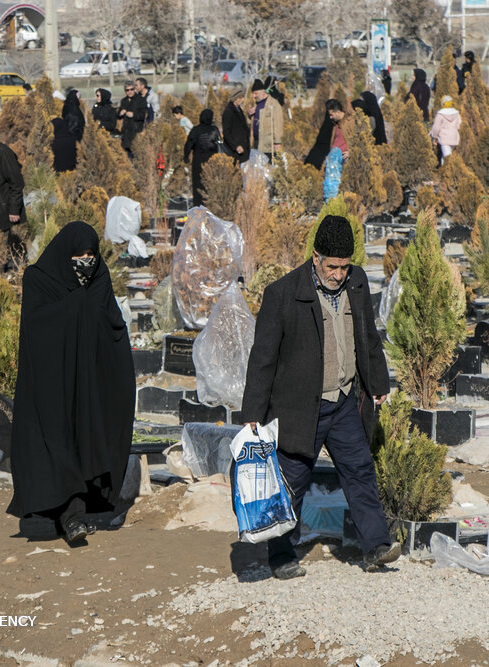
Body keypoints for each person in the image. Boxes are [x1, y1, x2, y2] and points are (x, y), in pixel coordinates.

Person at [242, 215, 399, 579]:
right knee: (290, 484)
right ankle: (281, 556)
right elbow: (262, 358)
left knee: (360, 471)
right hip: (300, 408)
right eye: (333, 266)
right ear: (315, 257)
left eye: (345, 266)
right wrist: (253, 412)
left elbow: (368, 337)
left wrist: (378, 384)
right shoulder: (283, 294)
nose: (339, 274)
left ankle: (375, 546)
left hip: (344, 401)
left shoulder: (357, 283)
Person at [7, 221, 135, 545]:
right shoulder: (38, 280)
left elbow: (113, 326)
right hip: (52, 385)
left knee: (84, 446)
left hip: (89, 385)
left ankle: (76, 514)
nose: (86, 260)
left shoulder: (99, 279)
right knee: (58, 447)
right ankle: (64, 516)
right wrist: (76, 307)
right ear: (66, 253)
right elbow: (35, 330)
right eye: (79, 254)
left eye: (92, 253)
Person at [184, 109, 221, 208]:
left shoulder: (196, 130)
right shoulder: (214, 130)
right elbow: (220, 144)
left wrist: (186, 157)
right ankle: (210, 204)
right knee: (210, 181)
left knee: (198, 183)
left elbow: (189, 144)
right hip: (212, 160)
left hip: (198, 160)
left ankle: (198, 204)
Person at [247, 78, 283, 161]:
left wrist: (277, 142)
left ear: (263, 92)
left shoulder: (273, 104)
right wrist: (249, 116)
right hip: (256, 144)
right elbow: (250, 124)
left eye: (255, 93)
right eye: (253, 93)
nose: (253, 96)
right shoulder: (255, 104)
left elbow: (278, 123)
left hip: (268, 146)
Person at [430, 95, 461, 165]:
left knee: (447, 159)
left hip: (444, 139)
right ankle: (444, 173)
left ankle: (448, 174)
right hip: (454, 138)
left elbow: (436, 127)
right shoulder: (457, 113)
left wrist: (434, 136)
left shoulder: (440, 114)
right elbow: (459, 126)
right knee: (446, 158)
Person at [117, 81, 146, 153]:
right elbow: (118, 115)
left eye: (131, 89)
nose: (130, 92)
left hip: (136, 131)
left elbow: (144, 115)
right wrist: (120, 113)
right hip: (126, 132)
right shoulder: (124, 101)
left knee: (137, 153)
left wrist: (134, 115)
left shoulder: (140, 100)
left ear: (134, 89)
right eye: (127, 90)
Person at [221, 90, 249, 162]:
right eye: (240, 98)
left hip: (243, 147)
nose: (242, 100)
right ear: (235, 99)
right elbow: (226, 132)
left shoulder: (239, 110)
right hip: (235, 150)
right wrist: (235, 146)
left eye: (242, 97)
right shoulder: (229, 112)